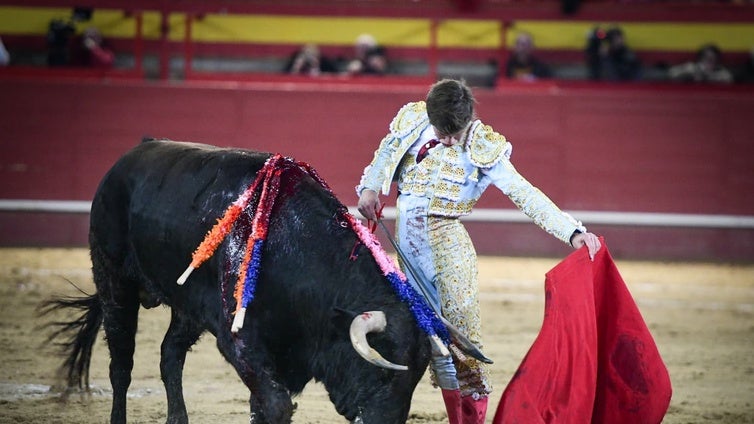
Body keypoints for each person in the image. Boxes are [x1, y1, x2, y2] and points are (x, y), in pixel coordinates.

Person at [355, 79, 601, 424]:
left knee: (462, 344)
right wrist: (369, 188)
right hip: (408, 252)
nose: (450, 140)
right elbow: (384, 154)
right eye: (444, 131)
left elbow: (523, 192)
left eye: (456, 133)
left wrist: (572, 231)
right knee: (435, 343)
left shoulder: (483, 144)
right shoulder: (413, 120)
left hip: (449, 251)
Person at [668, 44, 734, 84]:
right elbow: (671, 74)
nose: (709, 61)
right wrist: (688, 75)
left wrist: (707, 77)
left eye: (712, 59)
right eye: (706, 58)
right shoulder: (691, 67)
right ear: (700, 58)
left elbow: (729, 79)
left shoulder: (722, 72)